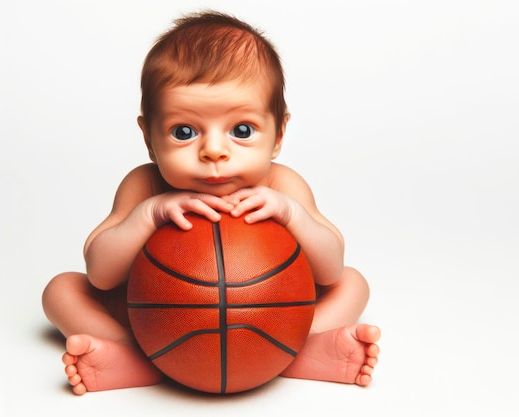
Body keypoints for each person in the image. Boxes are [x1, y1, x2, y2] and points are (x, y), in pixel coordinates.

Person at [42, 10, 381, 395]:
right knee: (61, 290)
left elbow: (331, 270)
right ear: (149, 138)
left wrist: (293, 214)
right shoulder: (145, 184)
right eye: (184, 132)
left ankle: (294, 348)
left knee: (354, 282)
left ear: (279, 133)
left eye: (241, 130)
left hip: (270, 313)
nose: (214, 151)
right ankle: (131, 352)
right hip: (155, 320)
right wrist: (148, 215)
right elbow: (100, 274)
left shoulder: (282, 184)